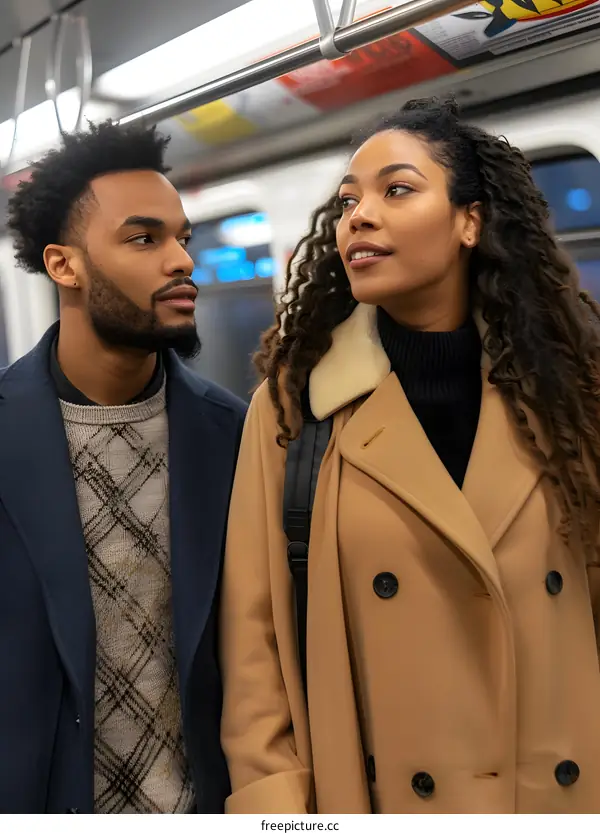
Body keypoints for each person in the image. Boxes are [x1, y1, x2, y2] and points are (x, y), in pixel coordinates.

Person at [220, 96, 600, 814]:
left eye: (396, 190)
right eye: (348, 202)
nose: (358, 217)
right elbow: (255, 647)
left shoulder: (568, 394)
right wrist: (277, 815)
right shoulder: (296, 405)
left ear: (469, 221)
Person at [0, 121, 247, 813]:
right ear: (64, 266)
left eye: (182, 239)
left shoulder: (234, 435)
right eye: (144, 239)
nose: (182, 261)